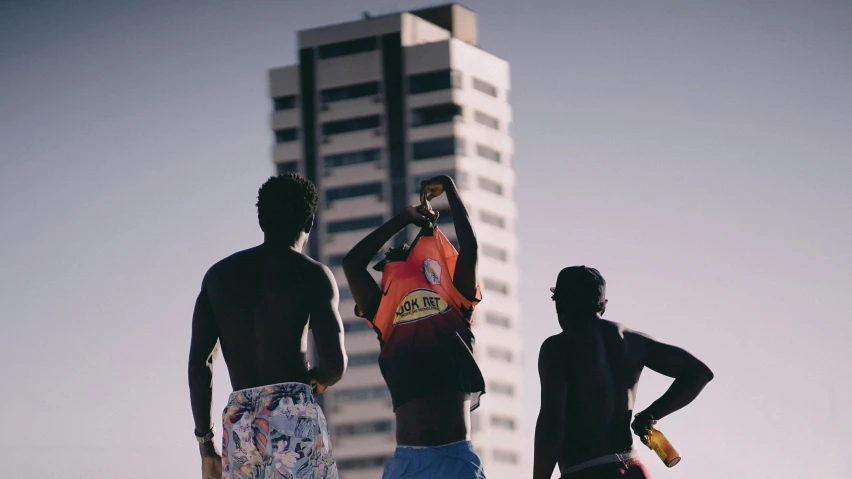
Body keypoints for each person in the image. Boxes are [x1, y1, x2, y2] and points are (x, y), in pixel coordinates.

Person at [188, 174, 346, 479]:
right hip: (294, 413)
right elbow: (335, 365)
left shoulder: (218, 277)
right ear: (309, 222)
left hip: (241, 421)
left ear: (262, 221)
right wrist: (316, 379)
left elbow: (199, 365)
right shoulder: (312, 275)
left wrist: (205, 442)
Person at [342, 175, 486, 479]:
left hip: (456, 460)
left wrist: (449, 187)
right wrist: (404, 218)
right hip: (409, 463)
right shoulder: (384, 311)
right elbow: (352, 264)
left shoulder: (454, 296)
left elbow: (470, 246)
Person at [533, 266, 714, 479]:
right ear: (602, 304)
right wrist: (650, 415)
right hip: (634, 469)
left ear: (561, 304)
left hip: (587, 471)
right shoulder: (633, 341)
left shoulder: (558, 347)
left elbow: (552, 422)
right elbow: (698, 373)